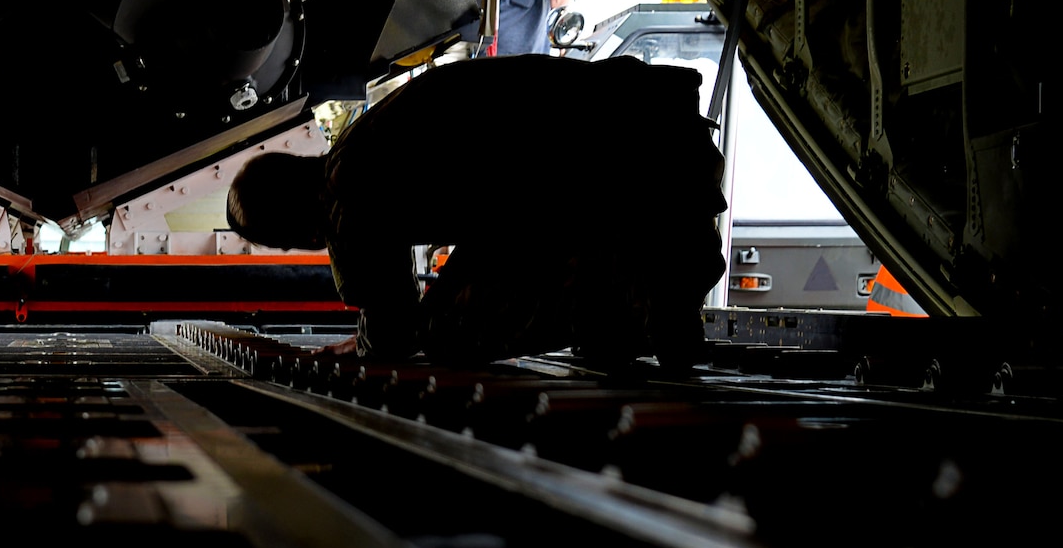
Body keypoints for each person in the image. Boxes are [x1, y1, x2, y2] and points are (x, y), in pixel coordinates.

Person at [225, 56, 725, 367]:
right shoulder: (363, 148)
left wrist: (352, 351)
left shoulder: (343, 195)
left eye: (287, 240)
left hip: (632, 200)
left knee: (448, 335)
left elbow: (395, 333)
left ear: (292, 219)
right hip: (664, 142)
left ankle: (624, 299)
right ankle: (637, 308)